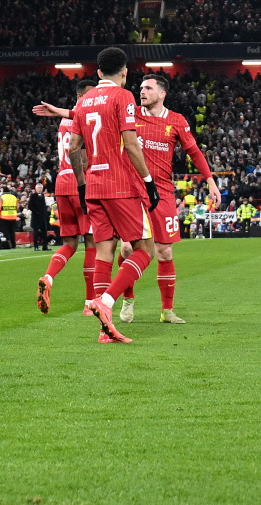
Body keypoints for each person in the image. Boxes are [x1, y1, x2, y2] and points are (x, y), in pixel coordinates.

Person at [69, 47, 159, 344]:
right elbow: (131, 144)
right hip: (121, 185)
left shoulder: (83, 102)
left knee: (104, 250)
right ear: (124, 72)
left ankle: (103, 330)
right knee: (146, 250)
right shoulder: (124, 96)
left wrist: (82, 187)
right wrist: (148, 181)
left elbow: (73, 149)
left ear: (97, 73)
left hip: (93, 186)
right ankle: (105, 302)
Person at [123, 74, 219, 323]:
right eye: (141, 87)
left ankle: (167, 310)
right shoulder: (130, 113)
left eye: (148, 88)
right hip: (133, 191)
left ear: (162, 93)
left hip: (163, 193)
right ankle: (128, 300)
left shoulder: (176, 120)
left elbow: (194, 152)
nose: (142, 91)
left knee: (164, 252)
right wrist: (63, 112)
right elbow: (94, 116)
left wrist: (210, 181)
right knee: (126, 248)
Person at [33, 110, 93, 315]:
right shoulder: (87, 116)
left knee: (70, 243)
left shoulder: (64, 121)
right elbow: (83, 157)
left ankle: (48, 277)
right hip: (80, 182)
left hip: (62, 182)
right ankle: (89, 302)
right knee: (92, 243)